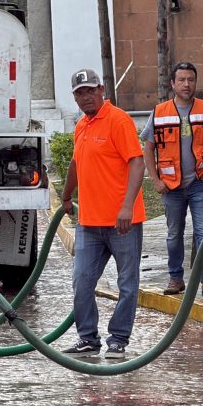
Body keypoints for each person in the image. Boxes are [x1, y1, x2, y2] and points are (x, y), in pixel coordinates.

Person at [59, 68, 146, 360]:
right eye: (79, 93)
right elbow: (76, 163)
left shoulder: (118, 120)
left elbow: (137, 162)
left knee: (127, 285)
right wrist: (66, 195)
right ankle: (88, 338)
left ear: (101, 90)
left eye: (90, 90)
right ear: (75, 98)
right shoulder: (81, 126)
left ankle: (118, 339)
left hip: (123, 223)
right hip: (89, 223)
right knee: (81, 281)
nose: (85, 97)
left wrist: (127, 206)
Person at [141, 62, 203, 297]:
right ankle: (175, 278)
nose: (186, 84)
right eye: (181, 80)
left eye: (191, 79)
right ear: (173, 84)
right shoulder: (159, 112)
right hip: (171, 186)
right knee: (173, 234)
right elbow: (148, 149)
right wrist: (155, 180)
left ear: (195, 82)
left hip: (201, 183)